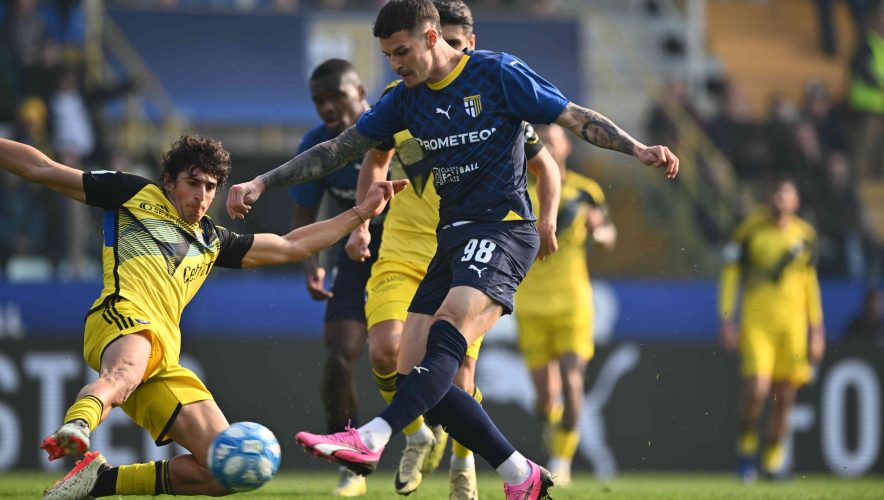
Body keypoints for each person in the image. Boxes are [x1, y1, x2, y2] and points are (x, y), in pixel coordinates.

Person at [226, 1, 678, 498]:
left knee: (447, 335)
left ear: (432, 37)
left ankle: (372, 437)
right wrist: (261, 183)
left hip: (504, 230)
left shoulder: (497, 74)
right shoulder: (404, 100)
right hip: (452, 238)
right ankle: (521, 475)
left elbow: (574, 117)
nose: (395, 64)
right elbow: (339, 149)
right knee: (414, 377)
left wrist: (638, 148)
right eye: (388, 55)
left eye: (402, 51)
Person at [0, 135, 405, 499]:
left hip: (164, 358)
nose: (202, 195)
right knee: (123, 374)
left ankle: (101, 481)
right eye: (193, 183)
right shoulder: (132, 193)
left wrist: (360, 213)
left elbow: (291, 246)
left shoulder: (213, 240)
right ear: (169, 181)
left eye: (211, 187)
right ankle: (77, 426)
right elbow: (42, 168)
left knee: (224, 471)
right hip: (123, 316)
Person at [343, 1, 561, 497]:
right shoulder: (401, 100)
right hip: (406, 247)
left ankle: (466, 465)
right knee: (389, 352)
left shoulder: (492, 94)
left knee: (455, 371)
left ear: (464, 44)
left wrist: (546, 217)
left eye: (462, 46)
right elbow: (373, 159)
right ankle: (415, 435)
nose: (455, 54)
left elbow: (545, 164)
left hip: (474, 244)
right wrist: (361, 222)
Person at [289, 58, 378, 497]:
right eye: (318, 100)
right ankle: (349, 462)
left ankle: (439, 436)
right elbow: (305, 212)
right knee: (339, 357)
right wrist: (312, 262)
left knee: (407, 358)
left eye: (336, 96)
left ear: (360, 92)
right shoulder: (316, 144)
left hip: (414, 252)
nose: (327, 107)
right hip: (355, 256)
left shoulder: (394, 127)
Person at [515, 123, 616, 486]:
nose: (546, 148)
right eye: (540, 142)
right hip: (530, 306)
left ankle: (561, 462)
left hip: (573, 304)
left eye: (553, 142)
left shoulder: (587, 191)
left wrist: (600, 233)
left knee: (573, 383)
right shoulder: (517, 190)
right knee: (547, 399)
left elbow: (608, 234)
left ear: (566, 148)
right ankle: (556, 426)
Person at [718, 176, 825, 482]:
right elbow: (730, 275)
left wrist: (816, 329)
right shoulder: (749, 231)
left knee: (785, 395)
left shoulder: (805, 235)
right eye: (776, 193)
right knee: (757, 389)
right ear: (768, 198)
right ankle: (746, 450)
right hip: (757, 323)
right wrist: (726, 319)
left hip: (792, 326)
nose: (780, 199)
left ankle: (773, 461)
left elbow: (810, 283)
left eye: (786, 194)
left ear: (796, 201)